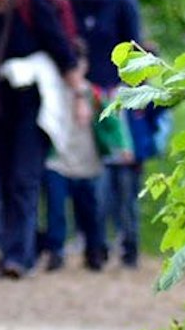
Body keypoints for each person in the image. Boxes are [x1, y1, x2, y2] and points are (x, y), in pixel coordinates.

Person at [0, 0, 79, 278]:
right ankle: (11, 251)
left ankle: (20, 256)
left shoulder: (32, 4)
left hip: (32, 102)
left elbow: (61, 50)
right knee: (3, 178)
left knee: (23, 178)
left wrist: (78, 96)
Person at [67, 0, 146, 268]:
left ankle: (130, 246)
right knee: (88, 177)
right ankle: (93, 243)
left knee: (124, 178)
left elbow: (135, 49)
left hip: (118, 96)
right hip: (83, 96)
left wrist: (129, 94)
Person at [42, 46, 133, 271]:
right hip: (58, 160)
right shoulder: (52, 92)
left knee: (90, 211)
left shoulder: (94, 94)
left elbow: (112, 122)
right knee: (56, 211)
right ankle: (56, 251)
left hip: (88, 161)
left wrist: (122, 146)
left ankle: (94, 251)